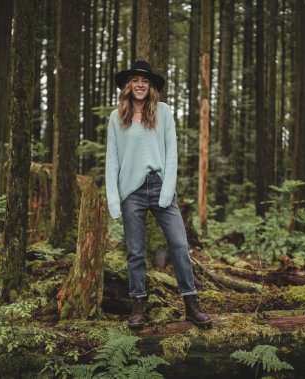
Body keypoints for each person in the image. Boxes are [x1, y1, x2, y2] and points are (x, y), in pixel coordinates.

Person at [105, 60, 212, 329]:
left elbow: (172, 153)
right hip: (132, 191)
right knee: (136, 251)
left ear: (150, 86)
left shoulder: (163, 112)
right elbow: (112, 161)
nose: (140, 84)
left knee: (178, 245)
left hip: (160, 185)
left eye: (145, 80)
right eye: (135, 80)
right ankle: (138, 306)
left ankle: (191, 304)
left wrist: (167, 191)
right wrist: (113, 199)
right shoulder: (116, 117)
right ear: (128, 85)